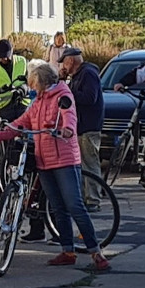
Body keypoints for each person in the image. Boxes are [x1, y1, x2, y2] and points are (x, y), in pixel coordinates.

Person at [0, 61, 109, 272]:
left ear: (42, 82)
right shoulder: (38, 102)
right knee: (58, 207)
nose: (31, 88)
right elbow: (20, 124)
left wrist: (67, 130)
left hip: (64, 160)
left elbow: (70, 116)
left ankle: (96, 251)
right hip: (44, 160)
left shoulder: (62, 96)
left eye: (33, 83)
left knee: (75, 205)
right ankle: (68, 251)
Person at [58, 47, 105, 209]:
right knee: (82, 163)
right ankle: (86, 197)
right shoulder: (78, 76)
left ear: (71, 60)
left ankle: (93, 200)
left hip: (89, 126)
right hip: (81, 126)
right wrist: (64, 82)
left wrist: (69, 95)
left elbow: (90, 98)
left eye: (64, 62)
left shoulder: (88, 74)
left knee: (89, 163)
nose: (64, 66)